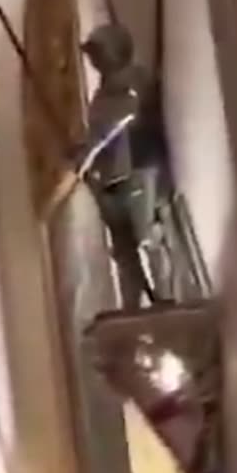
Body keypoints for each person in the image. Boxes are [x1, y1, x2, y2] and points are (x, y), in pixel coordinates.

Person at [72, 23, 170, 308]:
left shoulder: (134, 80)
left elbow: (122, 117)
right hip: (114, 178)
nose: (94, 60)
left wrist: (88, 152)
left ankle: (163, 294)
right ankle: (133, 302)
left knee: (148, 238)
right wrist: (82, 155)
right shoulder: (102, 93)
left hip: (139, 167)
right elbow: (99, 135)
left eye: (98, 53)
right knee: (124, 251)